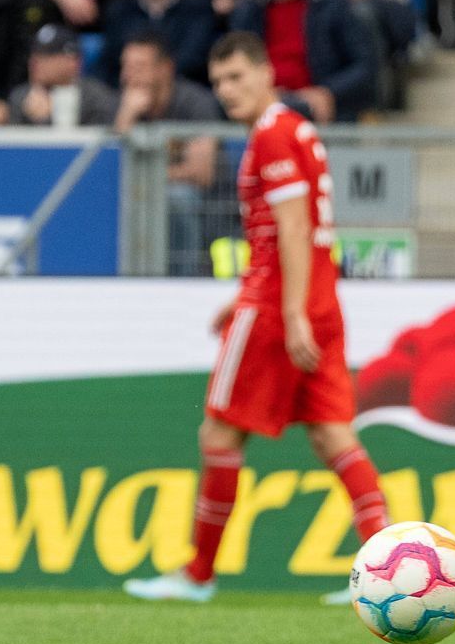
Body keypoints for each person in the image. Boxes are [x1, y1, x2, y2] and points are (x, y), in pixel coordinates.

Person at [124, 33, 390, 604]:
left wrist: (285, 310)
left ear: (268, 73)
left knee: (219, 432)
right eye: (218, 82)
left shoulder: (270, 135)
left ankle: (198, 574)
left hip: (280, 307)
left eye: (238, 76)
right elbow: (287, 233)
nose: (227, 91)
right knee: (333, 434)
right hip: (319, 298)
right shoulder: (296, 129)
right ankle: (388, 565)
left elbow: (292, 226)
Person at [109, 32, 222, 274]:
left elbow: (201, 173)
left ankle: (184, 280)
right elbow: (108, 172)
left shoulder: (195, 103)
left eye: (139, 67)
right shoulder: (122, 105)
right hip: (140, 197)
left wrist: (146, 178)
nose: (129, 76)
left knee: (178, 197)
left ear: (165, 69)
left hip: (206, 209)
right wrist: (126, 118)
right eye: (125, 67)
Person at [227, 0, 378, 122]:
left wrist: (328, 92)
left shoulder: (335, 5)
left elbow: (365, 66)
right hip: (262, 107)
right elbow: (231, 65)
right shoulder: (246, 10)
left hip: (320, 112)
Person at [94, 0, 218, 86]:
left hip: (179, 87)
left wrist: (152, 79)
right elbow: (109, 60)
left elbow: (191, 60)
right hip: (124, 87)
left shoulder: (198, 9)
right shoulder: (120, 10)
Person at [5, 23, 119, 125]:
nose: (35, 62)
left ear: (73, 61)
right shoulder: (21, 98)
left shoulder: (97, 98)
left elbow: (101, 142)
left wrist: (46, 120)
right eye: (34, 55)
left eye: (47, 56)